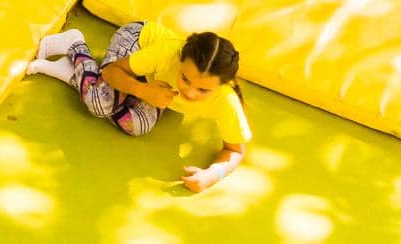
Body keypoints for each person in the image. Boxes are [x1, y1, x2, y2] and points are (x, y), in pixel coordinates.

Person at [26, 21, 250, 192]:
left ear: (222, 85)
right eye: (185, 79)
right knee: (100, 104)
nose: (190, 92)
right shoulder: (167, 54)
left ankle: (77, 76)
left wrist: (213, 173)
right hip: (136, 42)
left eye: (203, 90)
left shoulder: (226, 100)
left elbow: (235, 150)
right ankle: (75, 45)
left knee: (136, 126)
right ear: (180, 61)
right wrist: (143, 91)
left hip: (151, 79)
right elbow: (112, 72)